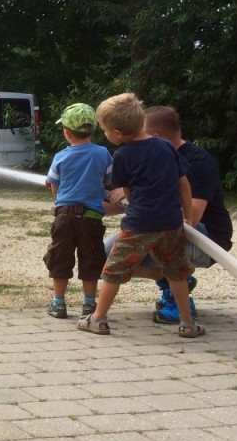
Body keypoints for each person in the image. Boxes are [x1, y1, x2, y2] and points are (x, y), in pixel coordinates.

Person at [80, 93, 204, 339]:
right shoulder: (165, 146)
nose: (104, 133)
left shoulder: (123, 156)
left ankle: (98, 318)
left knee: (113, 271)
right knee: (176, 273)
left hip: (138, 225)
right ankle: (188, 324)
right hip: (170, 224)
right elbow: (183, 184)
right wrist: (188, 218)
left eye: (104, 130)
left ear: (117, 133)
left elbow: (128, 192)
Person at [107, 106, 234, 324]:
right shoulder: (149, 157)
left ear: (156, 137)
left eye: (140, 130)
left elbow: (192, 216)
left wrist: (137, 204)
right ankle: (174, 280)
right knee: (104, 256)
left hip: (204, 235)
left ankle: (178, 292)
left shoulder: (198, 163)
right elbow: (144, 201)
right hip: (165, 224)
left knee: (148, 248)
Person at [43, 103, 113, 320]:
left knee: (60, 258)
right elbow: (108, 181)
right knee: (91, 259)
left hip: (64, 217)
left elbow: (54, 187)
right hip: (91, 219)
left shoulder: (60, 157)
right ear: (93, 130)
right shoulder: (103, 153)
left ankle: (58, 304)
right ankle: (89, 305)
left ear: (67, 132)